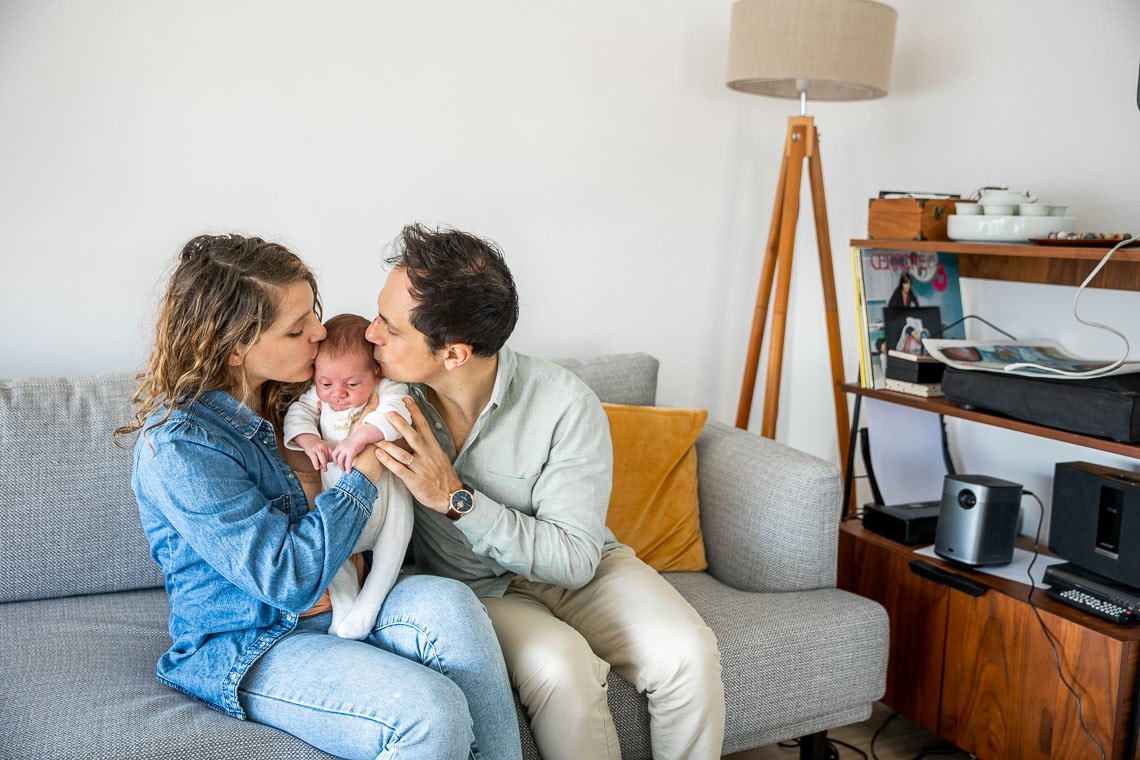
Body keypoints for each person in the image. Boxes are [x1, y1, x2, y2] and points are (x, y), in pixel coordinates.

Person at [117, 233, 521, 760]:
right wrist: (369, 464)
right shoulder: (179, 446)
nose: (319, 331)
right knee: (429, 711)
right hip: (252, 640)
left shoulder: (306, 395)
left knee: (451, 604)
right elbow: (288, 578)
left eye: (314, 312)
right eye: (296, 327)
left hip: (342, 602)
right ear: (236, 345)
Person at [363, 223, 726, 760]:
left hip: (576, 567)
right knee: (562, 668)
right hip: (476, 589)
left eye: (390, 328)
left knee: (688, 654)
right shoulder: (380, 401)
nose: (372, 334)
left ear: (455, 353)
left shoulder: (564, 404)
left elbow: (576, 559)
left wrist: (456, 499)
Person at [282, 313, 414, 640]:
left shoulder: (387, 387)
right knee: (329, 548)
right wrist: (308, 439)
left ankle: (369, 606)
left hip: (386, 507)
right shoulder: (319, 395)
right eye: (325, 383)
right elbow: (298, 411)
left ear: (376, 372)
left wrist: (362, 436)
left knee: (395, 539)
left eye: (352, 385)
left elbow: (399, 408)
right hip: (339, 514)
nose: (337, 394)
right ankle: (345, 602)